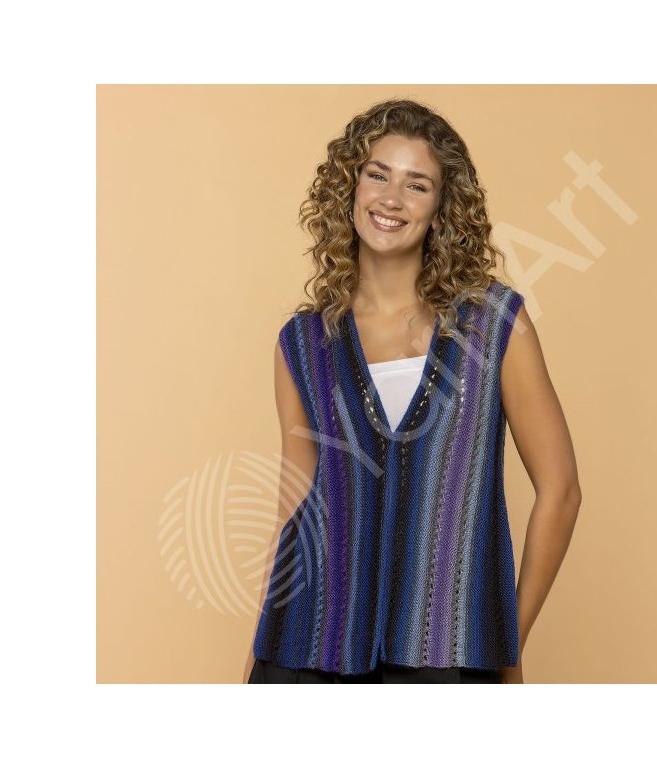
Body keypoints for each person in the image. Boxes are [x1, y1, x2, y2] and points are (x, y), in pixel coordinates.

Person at [243, 99, 581, 684]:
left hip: (448, 654)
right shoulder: (302, 343)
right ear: (349, 187)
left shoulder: (493, 325)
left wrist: (506, 644)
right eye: (377, 174)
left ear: (441, 209)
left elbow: (562, 492)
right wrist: (257, 648)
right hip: (307, 649)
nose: (391, 199)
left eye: (416, 184)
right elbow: (293, 506)